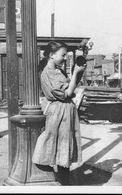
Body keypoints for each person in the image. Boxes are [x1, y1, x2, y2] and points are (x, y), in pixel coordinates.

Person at [32, 41, 87, 185]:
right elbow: (68, 93)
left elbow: (71, 86)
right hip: (60, 111)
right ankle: (63, 182)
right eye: (63, 55)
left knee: (64, 146)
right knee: (61, 145)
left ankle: (62, 180)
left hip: (64, 110)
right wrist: (75, 72)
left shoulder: (58, 71)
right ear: (51, 55)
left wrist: (78, 73)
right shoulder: (49, 73)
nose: (65, 58)